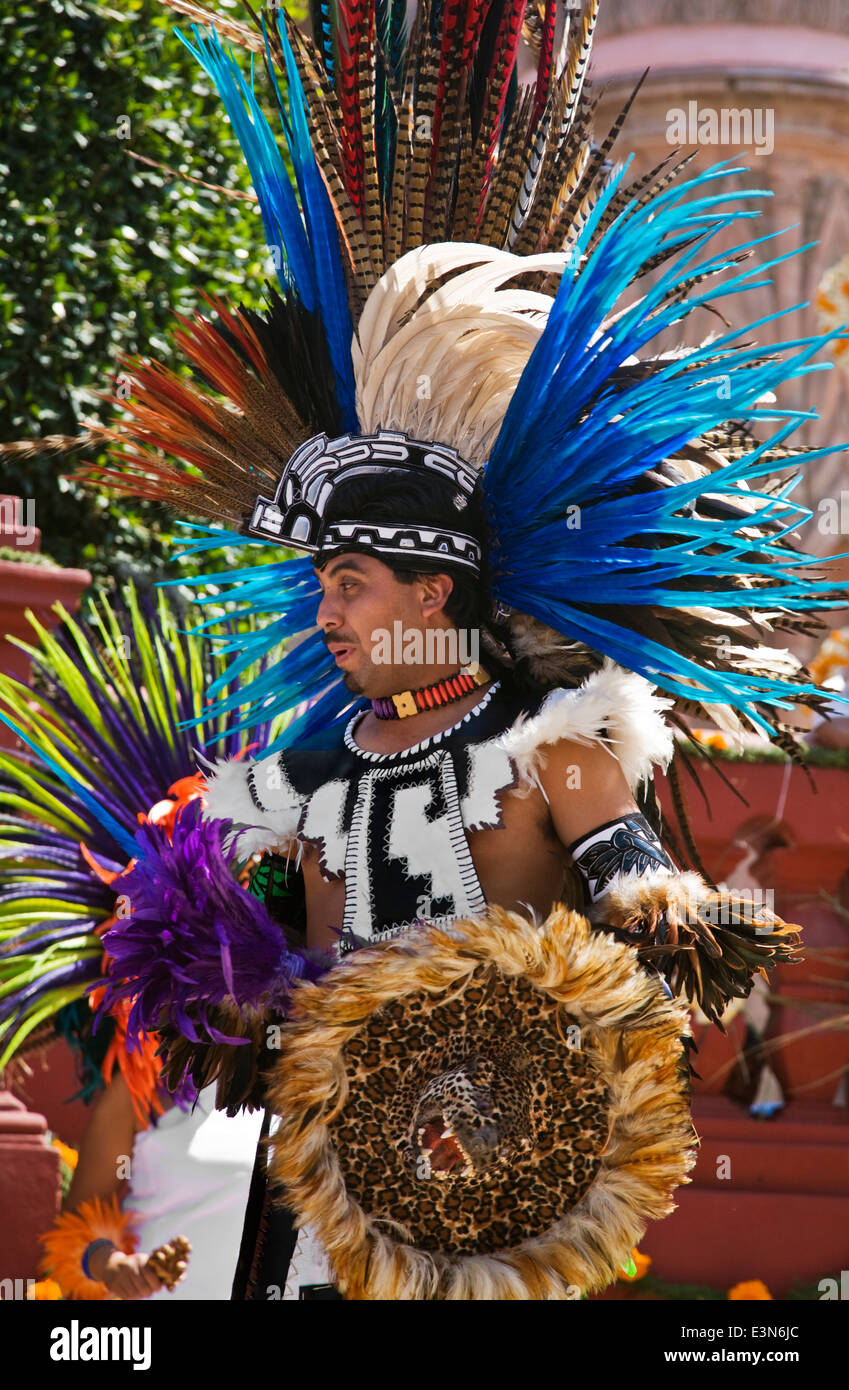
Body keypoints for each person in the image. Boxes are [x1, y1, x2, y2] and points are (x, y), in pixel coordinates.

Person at [4, 0, 847, 1298]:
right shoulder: (316, 761)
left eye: (347, 581)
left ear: (433, 587)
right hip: (331, 1182)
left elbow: (635, 888)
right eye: (317, 585)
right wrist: (213, 979)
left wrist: (695, 926)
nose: (325, 612)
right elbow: (214, 962)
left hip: (491, 1184)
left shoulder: (553, 742)